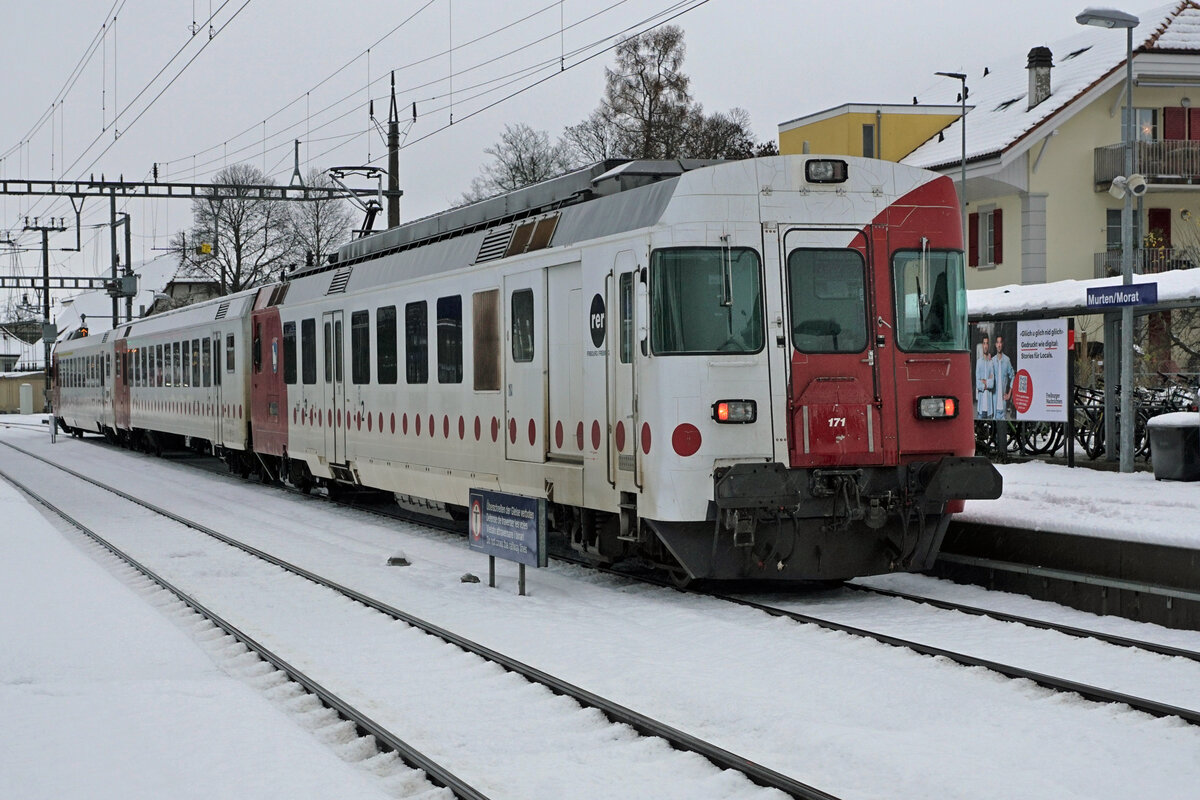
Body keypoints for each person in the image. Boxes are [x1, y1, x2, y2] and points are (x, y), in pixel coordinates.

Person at [993, 334, 1015, 420]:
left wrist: (1009, 394)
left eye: (1000, 342)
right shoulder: (992, 361)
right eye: (997, 342)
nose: (999, 345)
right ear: (995, 344)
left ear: (1002, 344)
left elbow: (1013, 376)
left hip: (1003, 406)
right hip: (993, 406)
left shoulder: (1007, 360)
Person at [975, 334, 995, 419]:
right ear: (982, 345)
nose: (985, 346)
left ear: (989, 345)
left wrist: (984, 381)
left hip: (990, 408)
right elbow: (978, 383)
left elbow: (992, 383)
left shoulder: (991, 362)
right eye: (984, 343)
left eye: (987, 343)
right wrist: (987, 382)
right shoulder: (979, 362)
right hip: (980, 408)